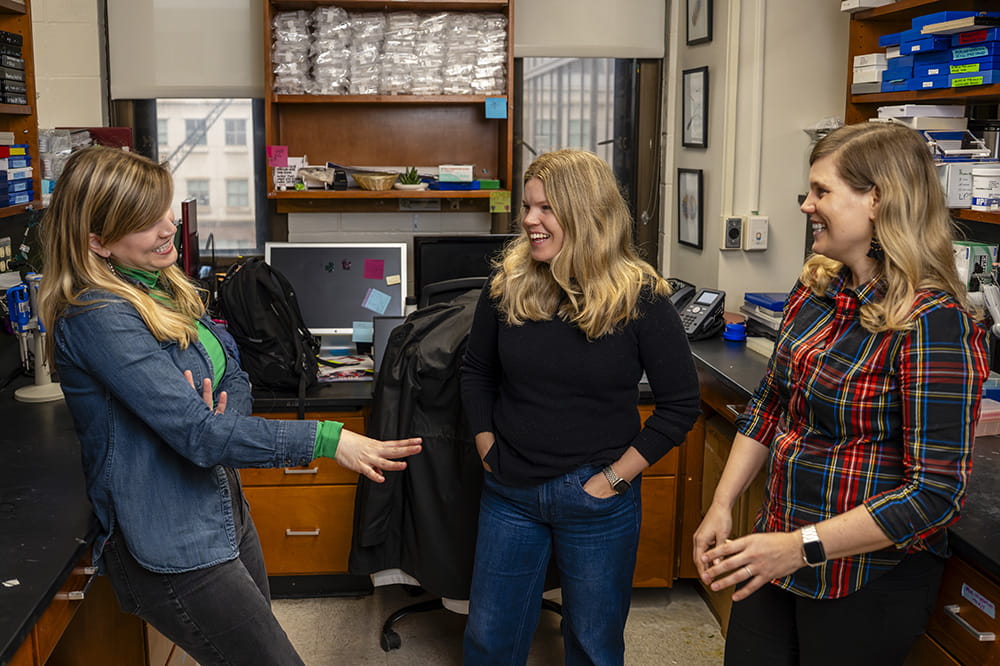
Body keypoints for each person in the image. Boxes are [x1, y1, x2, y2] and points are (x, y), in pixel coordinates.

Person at [37, 146, 422, 666]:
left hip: (221, 510)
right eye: (145, 221)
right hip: (173, 543)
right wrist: (328, 438)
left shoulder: (161, 285)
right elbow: (199, 436)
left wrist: (215, 421)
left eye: (165, 210)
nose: (167, 226)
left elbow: (232, 369)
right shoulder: (98, 316)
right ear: (97, 242)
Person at [693, 121, 989, 665]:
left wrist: (800, 547)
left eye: (822, 191)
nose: (807, 205)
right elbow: (771, 404)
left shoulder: (933, 323)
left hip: (865, 577)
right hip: (776, 549)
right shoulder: (817, 287)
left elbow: (933, 495)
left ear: (877, 200)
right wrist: (722, 503)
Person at [461, 149, 701, 665]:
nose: (529, 220)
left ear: (586, 213)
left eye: (545, 208)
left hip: (598, 498)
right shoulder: (506, 284)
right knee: (489, 639)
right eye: (527, 207)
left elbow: (680, 405)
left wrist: (614, 479)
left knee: (594, 646)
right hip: (510, 492)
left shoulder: (642, 297)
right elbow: (476, 373)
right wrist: (486, 447)